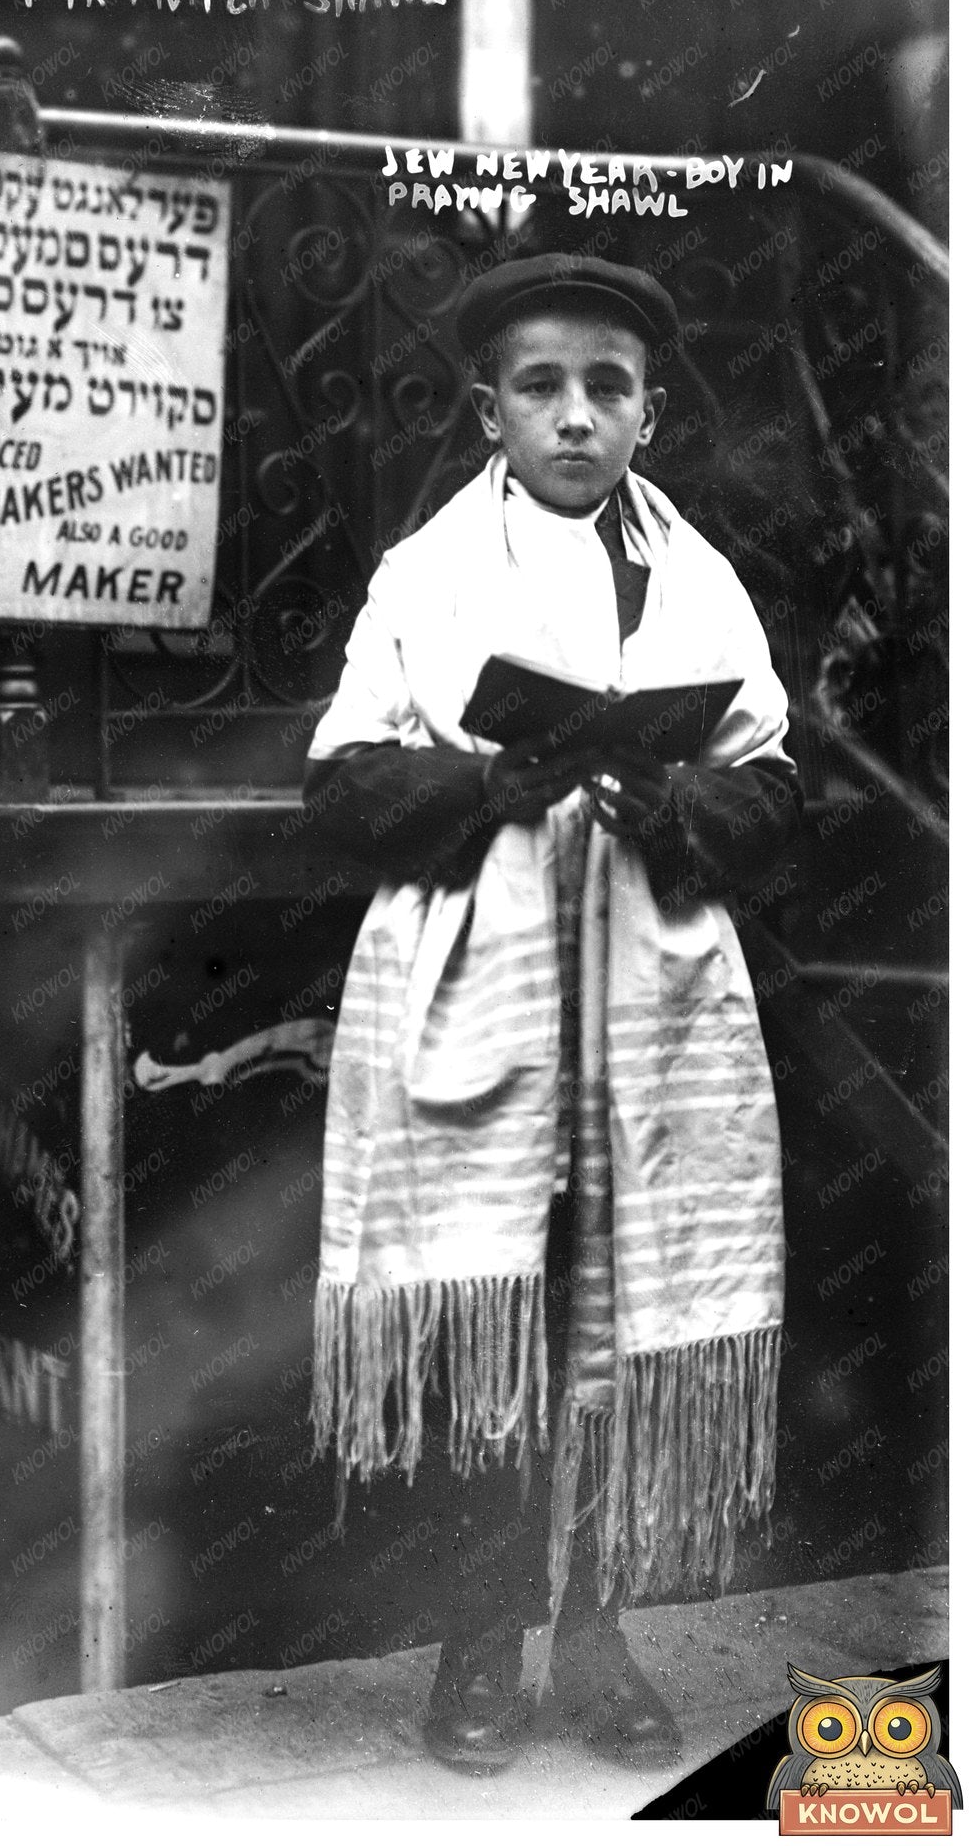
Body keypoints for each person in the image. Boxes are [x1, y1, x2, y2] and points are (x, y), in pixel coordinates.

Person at [303, 254, 803, 1772]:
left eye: (606, 387)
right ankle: (478, 1633)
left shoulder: (697, 577)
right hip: (487, 989)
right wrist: (483, 781)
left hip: (646, 1003)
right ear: (487, 410)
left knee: (615, 1319)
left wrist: (675, 794)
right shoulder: (428, 575)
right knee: (498, 1329)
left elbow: (773, 781)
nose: (574, 416)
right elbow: (340, 779)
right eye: (541, 386)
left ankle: (596, 1633)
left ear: (648, 412)